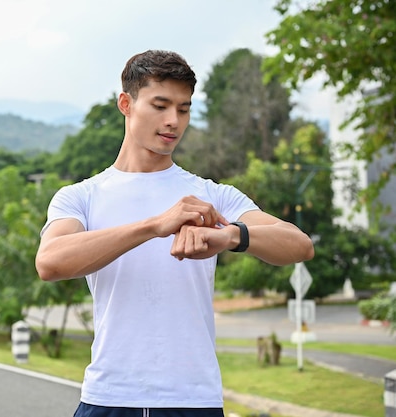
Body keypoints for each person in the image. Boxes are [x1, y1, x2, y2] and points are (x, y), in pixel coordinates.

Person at [35, 50, 314, 417]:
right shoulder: (82, 196)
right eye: (161, 105)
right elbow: (50, 262)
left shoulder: (212, 196)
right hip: (110, 398)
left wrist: (230, 236)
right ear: (126, 103)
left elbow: (299, 245)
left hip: (194, 400)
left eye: (183, 109)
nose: (173, 121)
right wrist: (153, 226)